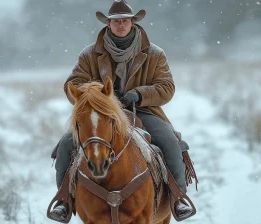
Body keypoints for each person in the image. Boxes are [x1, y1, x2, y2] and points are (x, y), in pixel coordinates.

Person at [49, 0, 194, 221]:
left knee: (168, 140)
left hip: (143, 111)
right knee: (66, 144)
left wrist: (140, 94)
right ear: (108, 24)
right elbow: (73, 84)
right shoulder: (89, 55)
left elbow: (167, 87)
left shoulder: (155, 54)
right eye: (116, 21)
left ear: (133, 22)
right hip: (101, 113)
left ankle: (177, 197)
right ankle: (64, 201)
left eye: (125, 21)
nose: (121, 25)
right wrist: (98, 96)